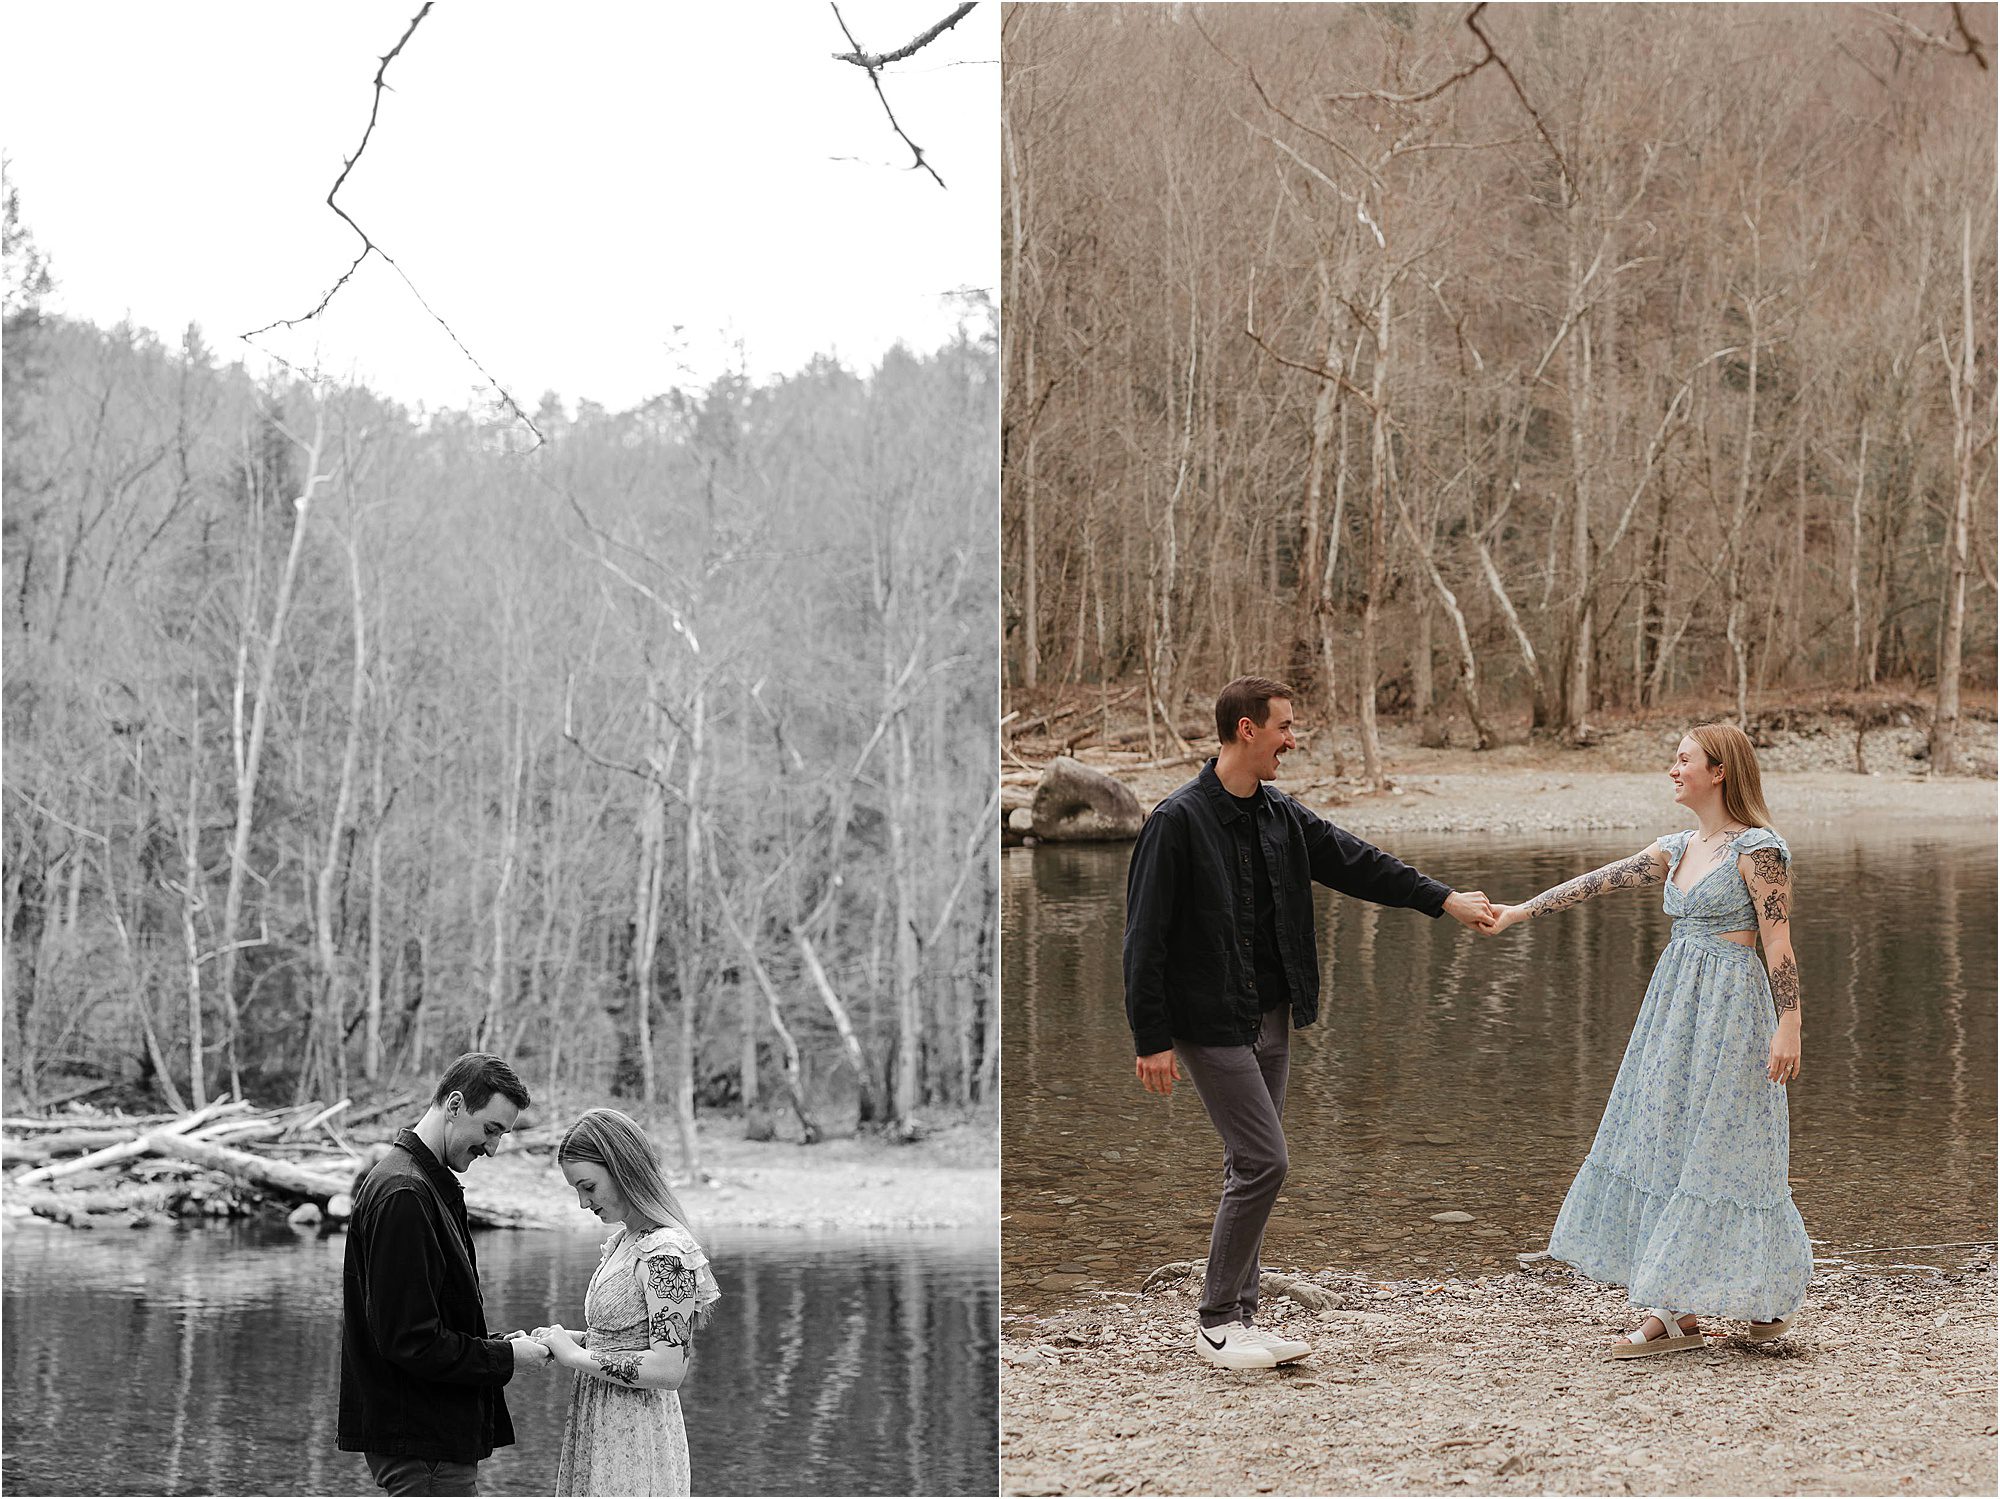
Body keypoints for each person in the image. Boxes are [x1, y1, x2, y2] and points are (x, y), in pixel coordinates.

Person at [1124, 675, 1495, 1370]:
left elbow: (1360, 863)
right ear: (1246, 729)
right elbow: (1144, 937)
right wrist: (1150, 1037)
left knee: (1248, 1162)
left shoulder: (1279, 814)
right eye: (1285, 727)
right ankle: (1213, 1321)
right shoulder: (1177, 821)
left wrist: (1443, 898)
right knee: (1267, 1160)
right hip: (1208, 1021)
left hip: (1272, 1014)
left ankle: (1243, 1316)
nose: (1293, 740)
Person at [1480, 722, 1811, 1356]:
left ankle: (1761, 1292)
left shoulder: (1760, 850)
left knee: (1731, 1144)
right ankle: (1677, 1311)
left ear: (1718, 772)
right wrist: (1523, 910)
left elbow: (1778, 942)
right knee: (1665, 1137)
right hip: (1673, 1010)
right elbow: (1595, 883)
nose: (1672, 769)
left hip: (1734, 1010)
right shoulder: (1678, 847)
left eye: (1683, 759)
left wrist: (1788, 1023)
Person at [339, 1053, 552, 1496]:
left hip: (428, 1442)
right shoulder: (405, 1194)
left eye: (502, 1135)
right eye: (491, 1130)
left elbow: (426, 1323)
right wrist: (506, 1361)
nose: (492, 1149)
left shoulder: (425, 1187)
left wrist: (496, 1346)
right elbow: (410, 1341)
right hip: (422, 1446)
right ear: (454, 1105)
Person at [529, 1107, 721, 1498]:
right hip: (597, 1424)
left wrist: (575, 1357)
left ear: (622, 1169)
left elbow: (669, 1369)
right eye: (577, 1190)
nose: (584, 1203)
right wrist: (570, 1340)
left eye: (589, 1187)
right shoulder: (623, 1242)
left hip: (637, 1434)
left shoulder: (667, 1253)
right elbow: (627, 1337)